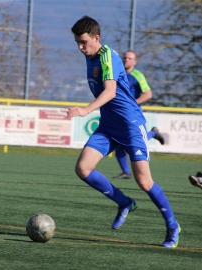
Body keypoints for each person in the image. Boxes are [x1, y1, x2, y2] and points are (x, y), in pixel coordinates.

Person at [67, 16, 180, 248]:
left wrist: (85, 110)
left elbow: (110, 91)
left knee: (144, 181)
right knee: (83, 168)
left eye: (83, 42)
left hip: (130, 124)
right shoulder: (90, 56)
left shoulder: (107, 56)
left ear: (96, 38)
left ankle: (172, 226)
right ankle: (124, 202)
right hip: (109, 125)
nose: (80, 47)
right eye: (77, 42)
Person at [113, 50, 165, 179]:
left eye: (130, 58)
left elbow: (148, 94)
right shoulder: (118, 74)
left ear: (134, 62)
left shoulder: (137, 75)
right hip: (120, 114)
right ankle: (126, 172)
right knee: (119, 144)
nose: (126, 60)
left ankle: (153, 133)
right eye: (125, 58)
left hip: (133, 115)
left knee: (134, 141)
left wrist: (133, 103)